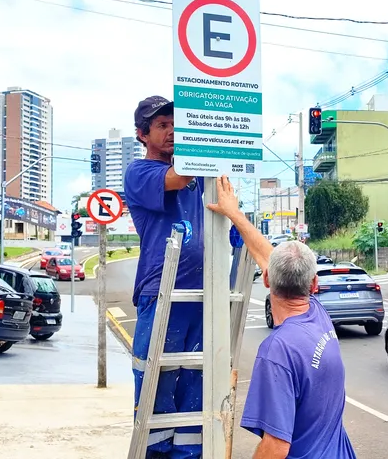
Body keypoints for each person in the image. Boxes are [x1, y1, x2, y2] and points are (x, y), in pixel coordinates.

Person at [207, 176, 357, 459]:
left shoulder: (278, 351)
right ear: (313, 285)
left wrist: (234, 212)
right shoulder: (318, 315)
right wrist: (234, 214)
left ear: (266, 280)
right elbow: (269, 256)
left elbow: (276, 447)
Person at [124, 95, 205, 458]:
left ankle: (190, 454)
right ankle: (156, 453)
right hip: (162, 291)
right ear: (143, 134)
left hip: (203, 292)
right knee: (157, 382)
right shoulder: (141, 173)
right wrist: (214, 138)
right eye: (162, 125)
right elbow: (178, 176)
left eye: (175, 123)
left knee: (195, 381)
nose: (172, 131)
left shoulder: (200, 176)